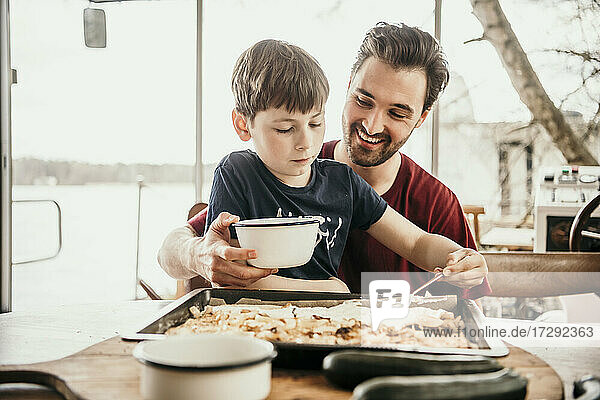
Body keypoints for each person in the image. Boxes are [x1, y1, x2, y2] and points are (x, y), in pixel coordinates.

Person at [158, 22, 491, 298]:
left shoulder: (417, 199)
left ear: (421, 117)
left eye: (398, 112)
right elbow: (190, 254)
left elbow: (419, 244)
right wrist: (330, 290)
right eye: (364, 100)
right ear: (348, 88)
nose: (305, 144)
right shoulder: (246, 171)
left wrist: (460, 258)